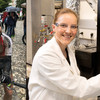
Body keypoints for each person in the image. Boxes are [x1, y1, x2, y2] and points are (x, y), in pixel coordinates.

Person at [28, 8, 100, 100]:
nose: (68, 31)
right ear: (54, 27)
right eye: (63, 25)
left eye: (73, 26)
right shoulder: (45, 55)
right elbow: (78, 88)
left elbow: (74, 84)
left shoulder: (67, 50)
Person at [0, 24, 13, 100]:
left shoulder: (6, 39)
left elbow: (8, 60)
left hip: (5, 62)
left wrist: (5, 73)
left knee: (9, 92)